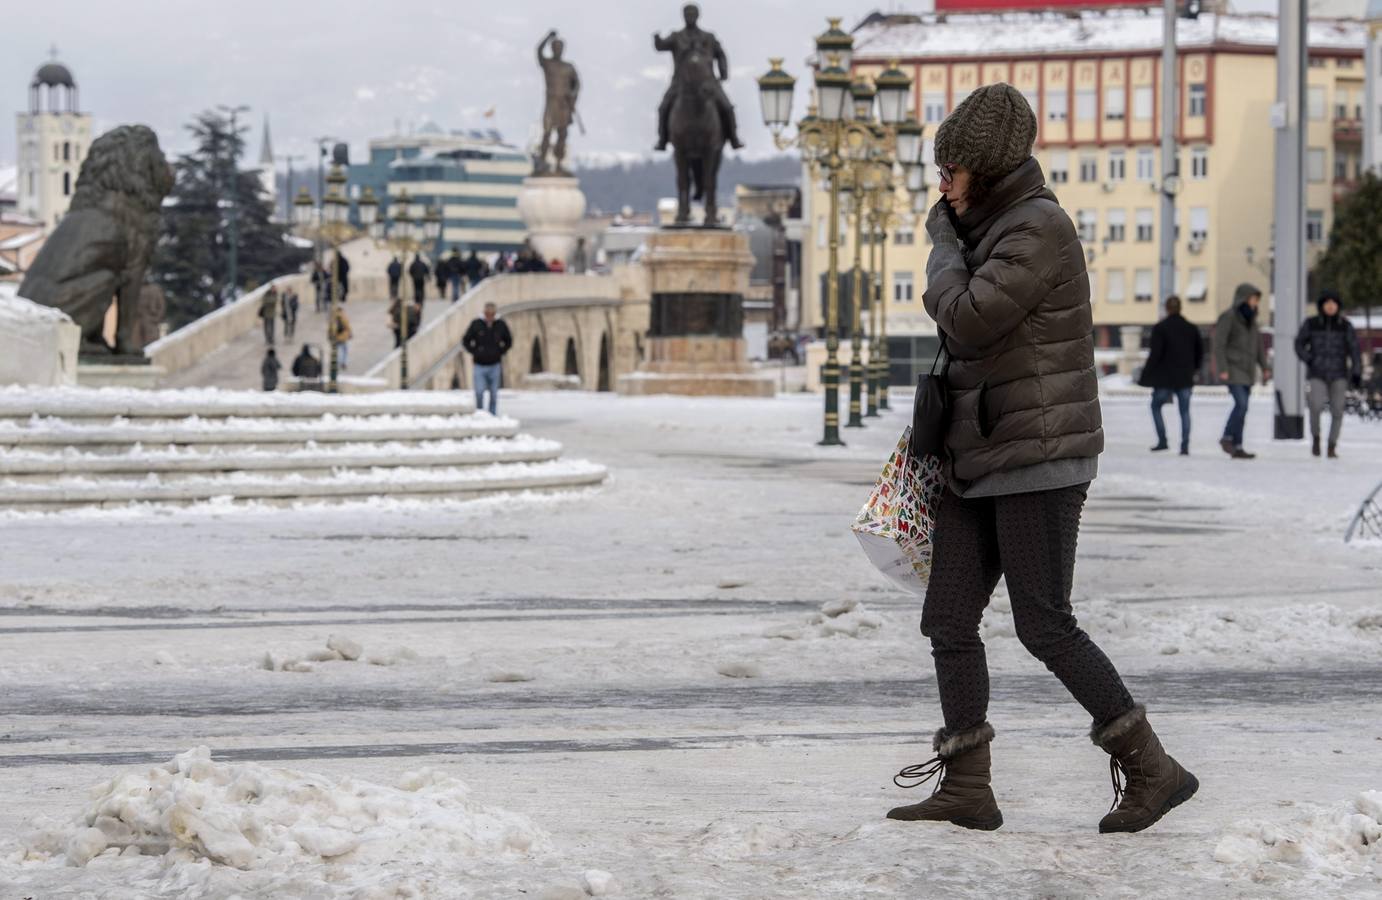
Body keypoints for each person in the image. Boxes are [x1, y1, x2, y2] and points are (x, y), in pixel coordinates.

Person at [887, 84, 1196, 835]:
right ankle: (967, 784)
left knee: (1045, 623)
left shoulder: (1037, 229)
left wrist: (940, 246)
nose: (941, 183)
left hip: (1039, 457)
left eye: (952, 170)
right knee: (948, 618)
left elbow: (967, 318)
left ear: (985, 171)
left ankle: (1154, 768)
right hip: (980, 455)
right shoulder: (989, 228)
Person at [653, 4, 744, 151]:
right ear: (683, 16)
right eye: (687, 13)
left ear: (697, 16)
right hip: (680, 83)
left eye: (692, 13)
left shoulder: (708, 37)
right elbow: (661, 46)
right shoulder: (677, 37)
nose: (689, 16)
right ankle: (662, 139)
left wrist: (723, 73)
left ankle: (734, 137)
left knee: (727, 108)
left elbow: (720, 54)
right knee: (663, 108)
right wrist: (656, 39)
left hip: (708, 83)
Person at [1294, 289, 1362, 458]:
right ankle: (1316, 437)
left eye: (1334, 303)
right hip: (1317, 373)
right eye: (1327, 302)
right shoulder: (1311, 323)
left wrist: (1356, 372)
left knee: (1337, 410)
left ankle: (1332, 445)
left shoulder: (1345, 326)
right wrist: (1309, 359)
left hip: (1339, 374)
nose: (1331, 306)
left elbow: (1354, 350)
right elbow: (1299, 344)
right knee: (1315, 406)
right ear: (1322, 305)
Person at [1138, 295, 1203, 455]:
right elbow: (1199, 353)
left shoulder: (1160, 328)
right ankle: (1185, 445)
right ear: (1180, 308)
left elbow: (1155, 354)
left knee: (1155, 406)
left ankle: (1162, 440)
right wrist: (1194, 370)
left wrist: (1145, 374)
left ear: (1166, 308)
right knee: (1185, 411)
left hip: (1164, 379)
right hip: (1185, 377)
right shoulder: (1191, 328)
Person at [1212, 284, 1270, 460]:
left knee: (1243, 409)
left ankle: (1237, 446)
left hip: (1248, 369)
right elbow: (1219, 344)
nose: (1255, 302)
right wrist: (1222, 368)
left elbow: (1258, 346)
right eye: (1253, 298)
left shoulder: (1252, 320)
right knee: (1241, 404)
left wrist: (1265, 367)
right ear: (1243, 299)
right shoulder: (1229, 317)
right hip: (1233, 368)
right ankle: (1227, 437)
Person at [463, 302, 513, 415]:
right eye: (487, 313)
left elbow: (509, 341)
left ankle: (492, 415)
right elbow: (466, 340)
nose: (489, 316)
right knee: (479, 392)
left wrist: (500, 351)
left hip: (495, 364)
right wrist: (475, 351)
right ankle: (480, 414)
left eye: (492, 314)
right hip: (479, 365)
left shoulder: (500, 324)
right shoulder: (476, 324)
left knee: (494, 394)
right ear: (484, 313)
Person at [329, 306, 353, 371]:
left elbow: (330, 329)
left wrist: (330, 336)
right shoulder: (343, 317)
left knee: (339, 351)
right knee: (344, 350)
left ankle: (339, 363)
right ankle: (343, 362)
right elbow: (347, 326)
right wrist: (350, 334)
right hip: (343, 336)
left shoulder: (333, 318)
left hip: (335, 337)